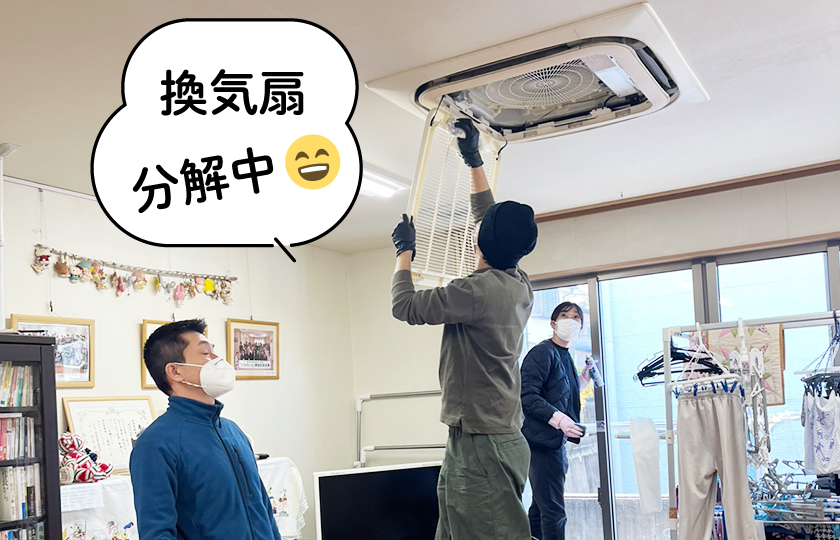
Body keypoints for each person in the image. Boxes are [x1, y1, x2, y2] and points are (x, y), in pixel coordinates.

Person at [391, 118, 539, 540]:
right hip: (483, 435)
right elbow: (488, 220)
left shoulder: (476, 291)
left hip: (481, 444)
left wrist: (404, 253)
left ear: (481, 241)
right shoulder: (516, 282)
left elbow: (404, 306)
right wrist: (473, 160)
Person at [130, 319, 281, 540]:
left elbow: (263, 507)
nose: (218, 360)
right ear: (175, 371)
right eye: (205, 354)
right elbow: (157, 532)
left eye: (214, 351)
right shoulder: (155, 444)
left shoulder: (233, 431)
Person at [520, 302, 594, 540]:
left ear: (580, 327)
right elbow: (527, 395)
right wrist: (559, 419)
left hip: (553, 441)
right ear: (553, 323)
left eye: (576, 317)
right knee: (554, 511)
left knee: (541, 507)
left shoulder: (564, 355)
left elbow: (557, 393)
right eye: (564, 315)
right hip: (541, 442)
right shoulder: (542, 352)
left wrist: (581, 382)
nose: (570, 320)